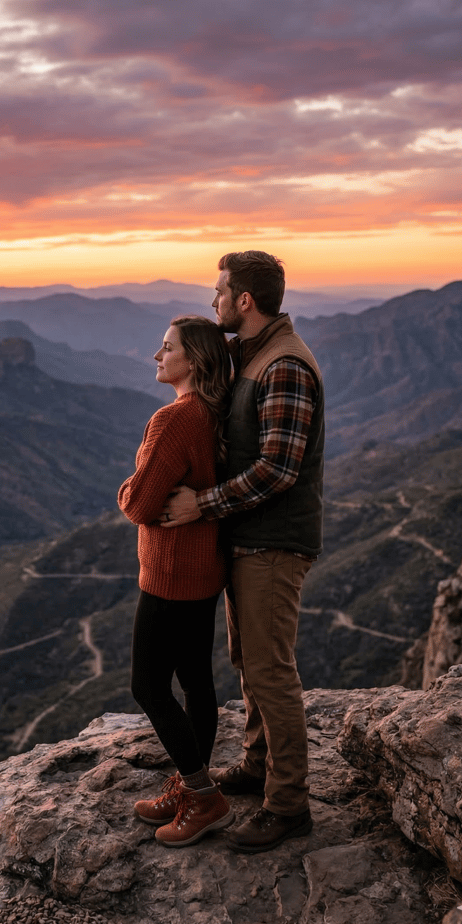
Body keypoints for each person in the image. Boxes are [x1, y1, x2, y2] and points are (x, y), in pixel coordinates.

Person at [162, 251, 325, 854]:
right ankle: (259, 766)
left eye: (220, 293)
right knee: (248, 659)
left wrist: (201, 503)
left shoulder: (284, 366)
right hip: (249, 537)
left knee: (270, 671)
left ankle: (288, 806)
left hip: (274, 540)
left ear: (245, 302)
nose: (214, 303)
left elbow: (278, 468)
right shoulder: (252, 355)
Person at [118, 315, 233, 847]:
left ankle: (202, 795)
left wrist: (127, 488)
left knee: (147, 686)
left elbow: (138, 503)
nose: (156, 356)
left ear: (194, 361)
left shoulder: (173, 419)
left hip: (168, 577)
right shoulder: (213, 413)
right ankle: (194, 784)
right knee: (196, 683)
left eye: (166, 349)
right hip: (203, 571)